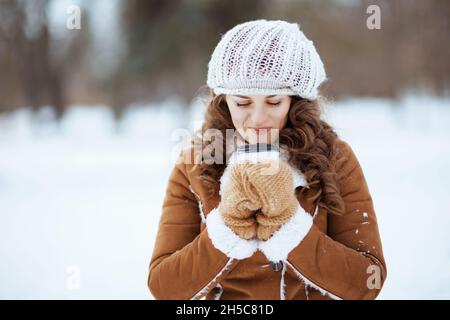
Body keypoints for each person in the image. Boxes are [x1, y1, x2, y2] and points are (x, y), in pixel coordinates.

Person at [147, 19, 387, 300]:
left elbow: (368, 281)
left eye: (274, 101)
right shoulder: (195, 163)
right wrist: (226, 229)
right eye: (242, 102)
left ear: (296, 101)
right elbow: (164, 287)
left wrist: (291, 227)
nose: (258, 118)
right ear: (223, 99)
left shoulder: (335, 158)